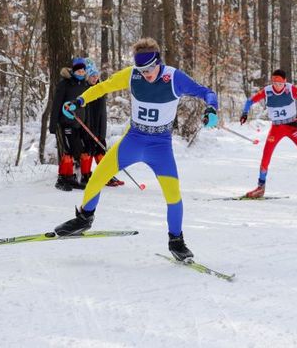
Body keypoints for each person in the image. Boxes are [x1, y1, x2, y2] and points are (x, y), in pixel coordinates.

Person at [54, 37, 218, 261]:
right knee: (99, 175)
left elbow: (207, 92)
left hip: (160, 146)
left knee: (173, 195)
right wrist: (79, 101)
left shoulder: (173, 78)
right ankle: (84, 218)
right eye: (142, 69)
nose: (147, 74)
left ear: (158, 61)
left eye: (150, 68)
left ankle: (176, 241)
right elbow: (102, 87)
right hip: (134, 139)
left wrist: (211, 108)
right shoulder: (132, 75)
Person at [240, 69, 297, 198]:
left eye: (279, 83)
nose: (276, 86)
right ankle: (260, 187)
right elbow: (250, 101)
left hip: (291, 126)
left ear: (285, 82)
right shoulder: (267, 91)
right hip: (276, 128)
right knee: (266, 155)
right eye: (274, 82)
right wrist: (244, 113)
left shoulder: (291, 89)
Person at [80, 59, 125, 187]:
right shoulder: (84, 90)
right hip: (88, 127)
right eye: (92, 76)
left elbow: (102, 112)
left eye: (96, 75)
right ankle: (85, 176)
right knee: (87, 150)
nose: (94, 78)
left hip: (100, 127)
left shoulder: (100, 88)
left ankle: (106, 176)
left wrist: (102, 129)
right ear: (87, 76)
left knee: (101, 150)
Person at [49, 58, 90, 191]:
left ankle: (71, 178)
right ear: (73, 71)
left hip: (80, 123)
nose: (81, 72)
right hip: (66, 122)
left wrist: (87, 121)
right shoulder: (65, 84)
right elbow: (56, 104)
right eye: (79, 70)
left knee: (79, 150)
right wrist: (53, 124)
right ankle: (62, 179)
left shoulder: (84, 85)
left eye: (83, 70)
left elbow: (85, 106)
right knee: (69, 151)